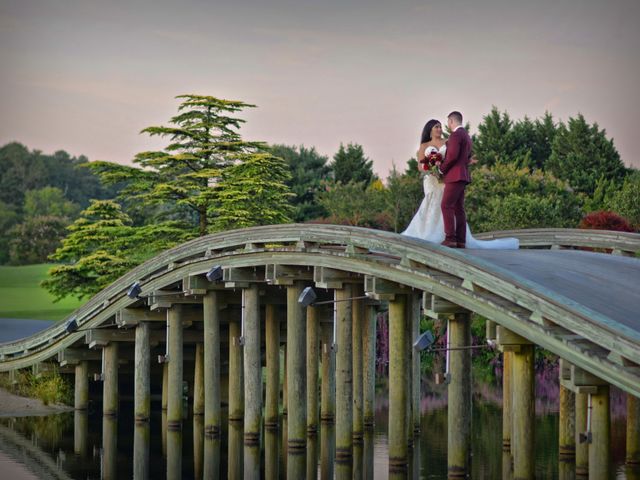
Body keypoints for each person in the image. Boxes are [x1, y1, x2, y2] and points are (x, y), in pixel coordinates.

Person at [401, 115, 519, 250]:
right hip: (432, 180)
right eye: (436, 127)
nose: (440, 129)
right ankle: (429, 233)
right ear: (430, 130)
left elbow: (454, 157)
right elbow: (420, 166)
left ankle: (450, 237)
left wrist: (460, 163)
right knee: (434, 205)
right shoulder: (425, 145)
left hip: (447, 178)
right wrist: (431, 169)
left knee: (447, 206)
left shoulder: (448, 141)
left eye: (440, 126)